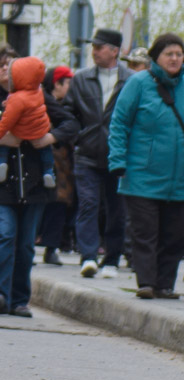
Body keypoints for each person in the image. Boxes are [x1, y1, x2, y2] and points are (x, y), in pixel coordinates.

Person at [0, 53, 76, 316]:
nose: (5, 69)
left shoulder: (40, 96)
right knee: (5, 233)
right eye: (0, 65)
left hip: (35, 183)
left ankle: (19, 300)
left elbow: (71, 124)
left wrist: (50, 138)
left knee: (25, 243)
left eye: (10, 64)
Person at [108, 33, 184, 300]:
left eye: (179, 54)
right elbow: (119, 123)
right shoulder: (138, 83)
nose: (174, 58)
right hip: (142, 175)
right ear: (156, 57)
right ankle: (147, 282)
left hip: (180, 179)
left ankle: (165, 284)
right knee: (146, 232)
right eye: (169, 54)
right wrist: (117, 160)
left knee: (175, 235)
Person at [70, 28, 129, 278]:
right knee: (88, 204)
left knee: (117, 209)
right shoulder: (81, 78)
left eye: (99, 47)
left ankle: (112, 259)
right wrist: (77, 137)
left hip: (119, 156)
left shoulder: (131, 80)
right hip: (87, 154)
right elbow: (69, 113)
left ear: (114, 51)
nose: (93, 51)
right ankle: (88, 256)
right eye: (93, 47)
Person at [0, 58, 59, 190]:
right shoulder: (38, 91)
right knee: (46, 150)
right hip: (40, 129)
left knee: (5, 143)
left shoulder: (17, 98)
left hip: (20, 131)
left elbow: (7, 120)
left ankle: (2, 162)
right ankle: (48, 171)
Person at [39, 65, 77, 265]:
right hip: (44, 159)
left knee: (59, 205)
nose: (70, 87)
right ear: (57, 83)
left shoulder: (70, 105)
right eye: (68, 82)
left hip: (64, 164)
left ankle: (52, 246)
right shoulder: (41, 102)